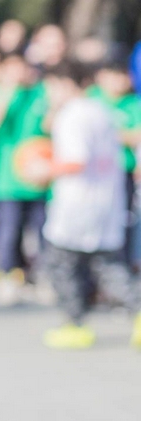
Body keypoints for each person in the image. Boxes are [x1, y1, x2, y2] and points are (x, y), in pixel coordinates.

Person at [35, 62, 141, 349]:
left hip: (76, 203)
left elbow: (75, 160)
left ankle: (74, 323)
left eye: (50, 87)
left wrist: (43, 169)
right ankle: (137, 311)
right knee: (109, 265)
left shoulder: (73, 115)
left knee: (60, 263)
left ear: (64, 84)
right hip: (107, 200)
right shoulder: (100, 111)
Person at [0, 53, 48, 303]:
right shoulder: (2, 95)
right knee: (7, 234)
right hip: (9, 181)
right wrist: (8, 87)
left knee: (42, 233)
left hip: (40, 181)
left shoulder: (41, 93)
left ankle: (41, 277)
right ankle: (6, 277)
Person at [87, 58, 141, 271]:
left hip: (123, 172)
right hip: (94, 175)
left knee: (124, 222)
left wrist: (109, 135)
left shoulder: (134, 103)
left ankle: (122, 269)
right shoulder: (91, 99)